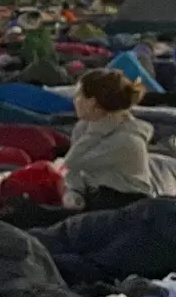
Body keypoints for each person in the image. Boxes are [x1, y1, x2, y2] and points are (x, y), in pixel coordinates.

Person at [60, 67, 151, 209]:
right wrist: (73, 192)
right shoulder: (84, 127)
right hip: (95, 199)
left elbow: (72, 162)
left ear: (93, 102)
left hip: (126, 204)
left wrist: (95, 133)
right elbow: (73, 173)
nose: (74, 100)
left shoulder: (127, 140)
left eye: (79, 95)